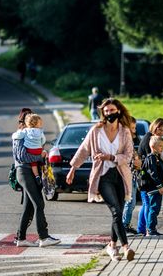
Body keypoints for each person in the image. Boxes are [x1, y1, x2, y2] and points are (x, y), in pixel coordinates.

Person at [66, 98, 136, 261]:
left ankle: (111, 246)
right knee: (116, 211)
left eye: (112, 110)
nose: (109, 113)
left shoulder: (124, 131)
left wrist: (110, 156)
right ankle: (126, 248)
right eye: (106, 111)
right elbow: (84, 149)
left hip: (120, 175)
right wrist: (73, 168)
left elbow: (128, 156)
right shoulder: (96, 130)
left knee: (117, 213)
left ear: (118, 111)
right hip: (102, 176)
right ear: (103, 113)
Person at [12, 108, 60, 247]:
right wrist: (41, 156)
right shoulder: (19, 136)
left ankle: (21, 238)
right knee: (39, 204)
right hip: (24, 172)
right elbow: (23, 156)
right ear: (25, 121)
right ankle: (43, 237)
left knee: (29, 207)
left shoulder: (32, 135)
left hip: (31, 172)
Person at [137, 136, 163, 236]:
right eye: (160, 146)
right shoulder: (151, 158)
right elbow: (153, 173)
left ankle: (152, 228)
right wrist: (159, 186)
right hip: (153, 188)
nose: (162, 148)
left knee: (155, 209)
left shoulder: (157, 157)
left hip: (156, 187)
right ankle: (150, 229)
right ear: (153, 146)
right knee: (153, 208)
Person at [12, 113, 46, 180]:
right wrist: (40, 145)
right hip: (38, 150)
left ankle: (37, 176)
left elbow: (18, 136)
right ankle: (43, 169)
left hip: (29, 150)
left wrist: (14, 135)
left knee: (33, 163)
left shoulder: (26, 131)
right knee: (44, 154)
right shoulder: (40, 131)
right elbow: (43, 140)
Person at [122, 117, 142, 235]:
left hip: (133, 175)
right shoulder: (123, 140)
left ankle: (126, 224)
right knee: (130, 202)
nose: (134, 131)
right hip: (126, 175)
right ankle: (124, 226)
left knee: (131, 202)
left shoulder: (133, 139)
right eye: (132, 128)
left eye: (135, 128)